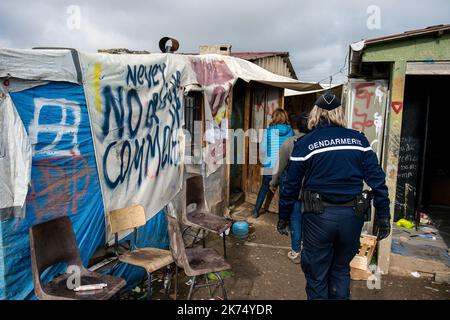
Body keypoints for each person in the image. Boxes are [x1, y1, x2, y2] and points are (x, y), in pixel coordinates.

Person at [277, 92, 391, 300]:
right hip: (352, 218)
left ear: (316, 113)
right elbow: (378, 181)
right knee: (340, 270)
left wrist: (283, 216)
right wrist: (384, 215)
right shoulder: (359, 140)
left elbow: (290, 186)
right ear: (339, 113)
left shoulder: (305, 143)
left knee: (317, 276)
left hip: (318, 219)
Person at [269, 113, 310, 264]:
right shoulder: (318, 142)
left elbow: (279, 167)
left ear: (296, 127)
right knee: (309, 221)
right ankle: (307, 250)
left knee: (295, 220)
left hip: (294, 191)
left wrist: (273, 183)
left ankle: (295, 251)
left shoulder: (289, 143)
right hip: (313, 192)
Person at [252, 108, 293, 218]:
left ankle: (256, 211)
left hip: (269, 165)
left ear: (274, 117)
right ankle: (283, 217)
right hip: (284, 166)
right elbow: (292, 149)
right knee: (283, 192)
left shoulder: (268, 131)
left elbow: (263, 149)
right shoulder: (290, 131)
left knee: (264, 188)